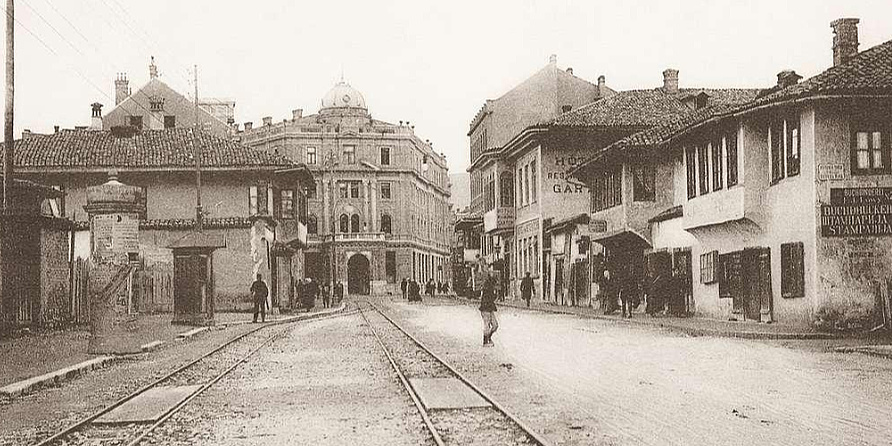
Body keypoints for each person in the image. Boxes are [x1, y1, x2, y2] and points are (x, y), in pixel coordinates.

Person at [479, 271, 499, 347]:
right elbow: (490, 298)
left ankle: (489, 337)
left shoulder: (489, 288)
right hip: (485, 309)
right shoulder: (487, 289)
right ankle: (485, 341)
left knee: (495, 325)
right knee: (487, 325)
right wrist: (495, 295)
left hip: (490, 309)